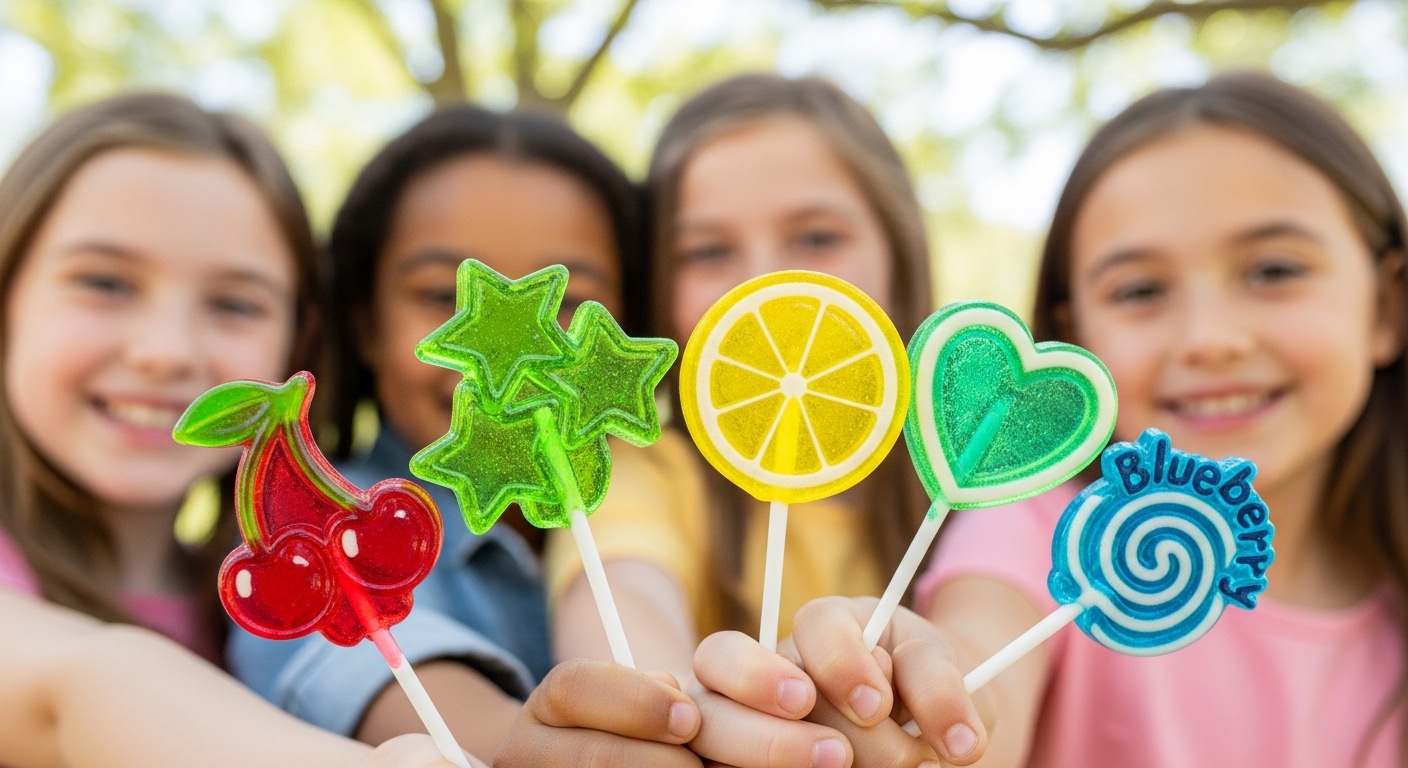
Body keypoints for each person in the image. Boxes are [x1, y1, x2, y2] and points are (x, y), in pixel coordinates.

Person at [776, 71, 1408, 767]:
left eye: (1275, 271)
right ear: (1074, 341)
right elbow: (982, 667)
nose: (1209, 338)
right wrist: (926, 699)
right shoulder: (1035, 527)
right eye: (1140, 289)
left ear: (1386, 308)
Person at [229, 104, 706, 766]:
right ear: (366, 325)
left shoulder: (683, 500)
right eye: (442, 296)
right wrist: (522, 743)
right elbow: (356, 670)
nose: (508, 360)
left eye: (565, 303)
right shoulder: (315, 527)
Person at [545, 73, 935, 767]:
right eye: (707, 252)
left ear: (899, 260)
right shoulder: (642, 471)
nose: (763, 284)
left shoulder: (967, 484)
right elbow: (620, 601)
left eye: (816, 237)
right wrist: (675, 703)